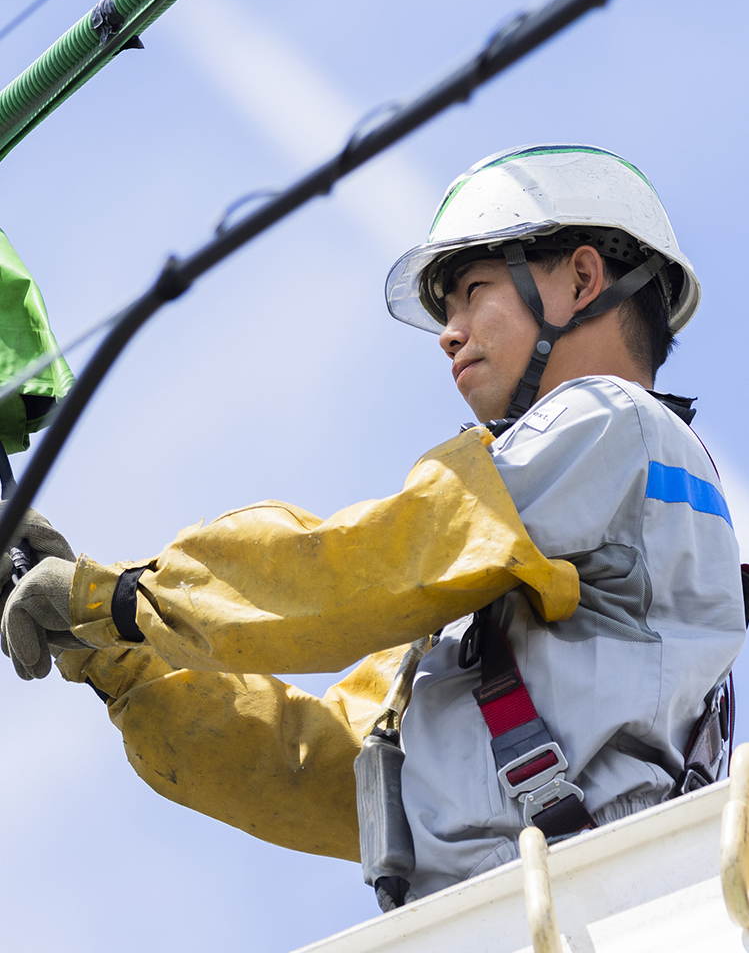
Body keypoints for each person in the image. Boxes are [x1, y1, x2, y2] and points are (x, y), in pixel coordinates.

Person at [1, 144, 745, 905]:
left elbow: (365, 566)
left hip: (590, 902)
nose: (448, 333)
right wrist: (109, 655)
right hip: (506, 911)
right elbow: (312, 765)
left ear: (583, 279)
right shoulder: (494, 595)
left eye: (471, 290)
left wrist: (116, 598)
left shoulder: (608, 425)